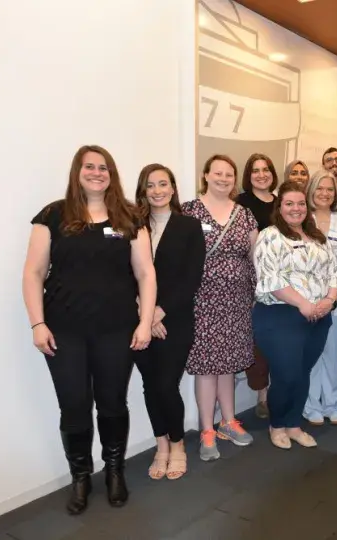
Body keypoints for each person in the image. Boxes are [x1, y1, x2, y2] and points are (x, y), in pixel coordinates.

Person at [22, 145, 156, 514]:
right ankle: (80, 477)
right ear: (77, 172)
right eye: (89, 166)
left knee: (113, 403)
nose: (97, 172)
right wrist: (37, 323)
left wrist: (145, 322)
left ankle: (114, 471)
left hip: (117, 330)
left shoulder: (129, 217)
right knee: (74, 407)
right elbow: (33, 273)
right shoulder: (53, 215)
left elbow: (146, 273)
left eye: (104, 168)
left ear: (111, 174)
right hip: (64, 331)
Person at [252, 181, 337, 450]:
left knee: (303, 372)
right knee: (286, 374)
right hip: (280, 316)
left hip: (318, 317)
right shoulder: (270, 236)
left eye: (301, 203)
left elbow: (334, 274)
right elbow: (270, 279)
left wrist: (329, 299)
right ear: (279, 207)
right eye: (289, 203)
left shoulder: (317, 238)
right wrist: (303, 304)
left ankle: (293, 425)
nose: (296, 208)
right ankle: (277, 425)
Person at [182, 155, 258, 461]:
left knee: (228, 363)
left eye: (229, 174)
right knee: (206, 366)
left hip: (237, 300)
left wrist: (253, 294)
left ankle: (228, 420)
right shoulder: (189, 211)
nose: (224, 178)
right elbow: (179, 255)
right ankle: (206, 429)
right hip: (202, 300)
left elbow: (254, 258)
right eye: (218, 173)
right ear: (205, 175)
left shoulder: (245, 214)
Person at [133, 164, 204, 481]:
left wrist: (159, 312)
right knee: (150, 386)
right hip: (137, 321)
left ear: (173, 189)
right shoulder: (131, 226)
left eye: (163, 184)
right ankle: (160, 445)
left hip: (175, 319)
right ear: (143, 191)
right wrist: (144, 315)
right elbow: (123, 275)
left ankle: (177, 445)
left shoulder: (190, 226)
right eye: (151, 185)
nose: (157, 190)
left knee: (165, 385)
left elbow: (192, 278)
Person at [302, 170, 337, 425]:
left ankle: (333, 403)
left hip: (336, 298)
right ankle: (311, 404)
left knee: (333, 355)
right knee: (310, 354)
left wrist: (336, 294)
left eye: (330, 189)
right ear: (310, 191)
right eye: (319, 188)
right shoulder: (301, 218)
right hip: (305, 301)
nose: (324, 193)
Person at [237, 153, 279, 419]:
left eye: (266, 169)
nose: (261, 174)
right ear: (248, 175)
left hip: (284, 282)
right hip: (252, 281)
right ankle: (262, 394)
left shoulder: (282, 203)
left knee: (280, 339)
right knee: (258, 341)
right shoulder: (240, 204)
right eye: (255, 170)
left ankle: (279, 390)